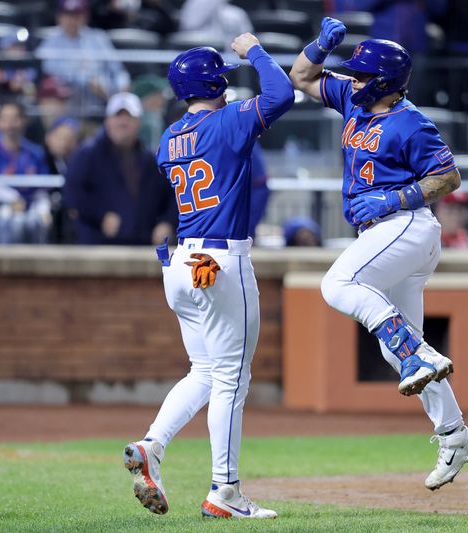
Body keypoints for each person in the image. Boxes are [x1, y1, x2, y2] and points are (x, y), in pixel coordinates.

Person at [289, 18, 468, 491]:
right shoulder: (354, 102)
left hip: (405, 226)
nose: (351, 80)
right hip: (388, 235)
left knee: (337, 284)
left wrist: (395, 198)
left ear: (382, 82)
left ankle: (418, 355)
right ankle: (456, 434)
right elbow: (301, 77)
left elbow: (448, 177)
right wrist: (319, 46)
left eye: (360, 74)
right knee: (393, 344)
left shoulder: (411, 121)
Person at [122, 34, 294, 519]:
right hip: (220, 261)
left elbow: (181, 158)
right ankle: (225, 491)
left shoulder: (169, 135)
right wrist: (256, 51)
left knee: (206, 371)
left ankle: (152, 445)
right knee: (231, 382)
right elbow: (281, 95)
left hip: (179, 264)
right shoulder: (226, 121)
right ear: (214, 79)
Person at [63, 92, 177, 245]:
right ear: (107, 120)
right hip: (97, 246)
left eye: (129, 117)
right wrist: (101, 216)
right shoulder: (87, 154)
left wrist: (167, 223)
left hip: (142, 246)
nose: (123, 122)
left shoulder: (151, 160)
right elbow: (72, 195)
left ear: (139, 122)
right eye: (118, 116)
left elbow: (172, 195)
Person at [0, 101, 52, 244]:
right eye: (5, 119)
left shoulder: (35, 152)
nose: (10, 125)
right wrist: (12, 198)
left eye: (15, 119)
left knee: (36, 223)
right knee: (13, 224)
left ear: (25, 121)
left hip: (29, 213)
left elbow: (41, 191)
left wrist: (44, 211)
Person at [36, 0, 131, 109]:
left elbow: (118, 70)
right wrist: (87, 80)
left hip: (102, 99)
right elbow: (48, 72)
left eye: (76, 15)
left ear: (85, 17)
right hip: (68, 101)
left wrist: (120, 89)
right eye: (67, 15)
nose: (72, 20)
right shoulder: (50, 41)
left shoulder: (98, 38)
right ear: (59, 17)